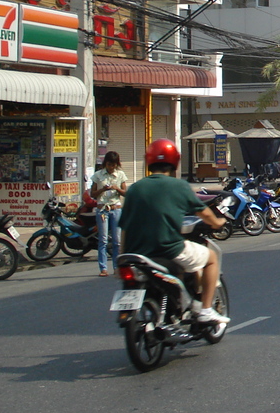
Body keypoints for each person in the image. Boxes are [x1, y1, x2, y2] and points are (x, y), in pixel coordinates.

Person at [119, 139, 229, 324]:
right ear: (175, 162)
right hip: (168, 250)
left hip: (136, 254)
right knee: (211, 258)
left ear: (149, 161)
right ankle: (206, 310)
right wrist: (217, 223)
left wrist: (122, 258)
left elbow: (124, 228)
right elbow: (204, 213)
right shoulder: (179, 186)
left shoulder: (134, 189)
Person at [90, 150, 128, 277]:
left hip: (116, 209)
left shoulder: (120, 175)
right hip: (102, 209)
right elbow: (92, 194)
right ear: (105, 163)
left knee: (117, 241)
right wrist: (102, 189)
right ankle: (103, 268)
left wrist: (117, 188)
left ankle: (116, 267)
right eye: (109, 165)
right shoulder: (98, 175)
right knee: (103, 239)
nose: (111, 168)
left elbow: (125, 193)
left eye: (114, 165)